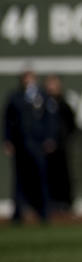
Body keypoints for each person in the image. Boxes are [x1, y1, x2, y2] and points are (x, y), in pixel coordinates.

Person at [4, 70, 56, 224]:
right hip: (21, 143)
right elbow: (8, 121)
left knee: (40, 178)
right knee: (19, 180)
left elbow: (50, 119)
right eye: (25, 78)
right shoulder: (15, 97)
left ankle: (44, 212)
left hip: (38, 143)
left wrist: (49, 138)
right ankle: (18, 213)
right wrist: (7, 140)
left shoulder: (43, 97)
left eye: (30, 78)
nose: (27, 81)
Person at [43, 74, 77, 214]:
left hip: (61, 145)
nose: (51, 87)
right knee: (46, 175)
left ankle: (66, 202)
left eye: (54, 84)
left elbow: (72, 124)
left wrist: (63, 138)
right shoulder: (41, 103)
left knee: (63, 174)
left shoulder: (63, 104)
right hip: (44, 146)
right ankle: (47, 201)